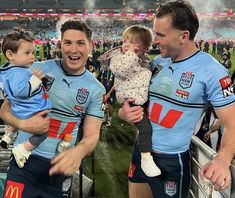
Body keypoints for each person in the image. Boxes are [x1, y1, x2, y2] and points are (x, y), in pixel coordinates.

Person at [118, 1, 235, 198]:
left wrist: (223, 160)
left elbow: (232, 124)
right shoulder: (157, 63)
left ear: (184, 36)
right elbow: (134, 101)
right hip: (141, 150)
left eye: (160, 35)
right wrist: (124, 113)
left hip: (172, 161)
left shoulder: (213, 72)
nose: (154, 41)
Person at [0, 20, 105, 198]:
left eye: (80, 43)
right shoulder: (36, 70)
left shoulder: (96, 89)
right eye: (68, 43)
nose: (73, 49)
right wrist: (23, 124)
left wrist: (78, 152)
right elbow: (4, 111)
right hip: (24, 162)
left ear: (90, 46)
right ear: (60, 45)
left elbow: (92, 136)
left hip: (61, 166)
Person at [99, 25, 161, 177]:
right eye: (126, 40)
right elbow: (120, 70)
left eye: (133, 42)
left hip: (141, 97)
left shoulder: (143, 59)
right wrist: (132, 54)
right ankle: (146, 158)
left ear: (145, 47)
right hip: (133, 99)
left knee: (147, 126)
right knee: (146, 128)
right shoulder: (120, 57)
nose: (127, 44)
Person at [0, 28, 52, 168]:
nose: (32, 57)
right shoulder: (19, 73)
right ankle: (23, 150)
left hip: (16, 109)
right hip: (28, 110)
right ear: (10, 55)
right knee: (43, 133)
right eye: (27, 53)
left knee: (15, 121)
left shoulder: (7, 70)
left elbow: (5, 91)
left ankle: (8, 135)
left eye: (33, 53)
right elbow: (21, 91)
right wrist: (35, 80)